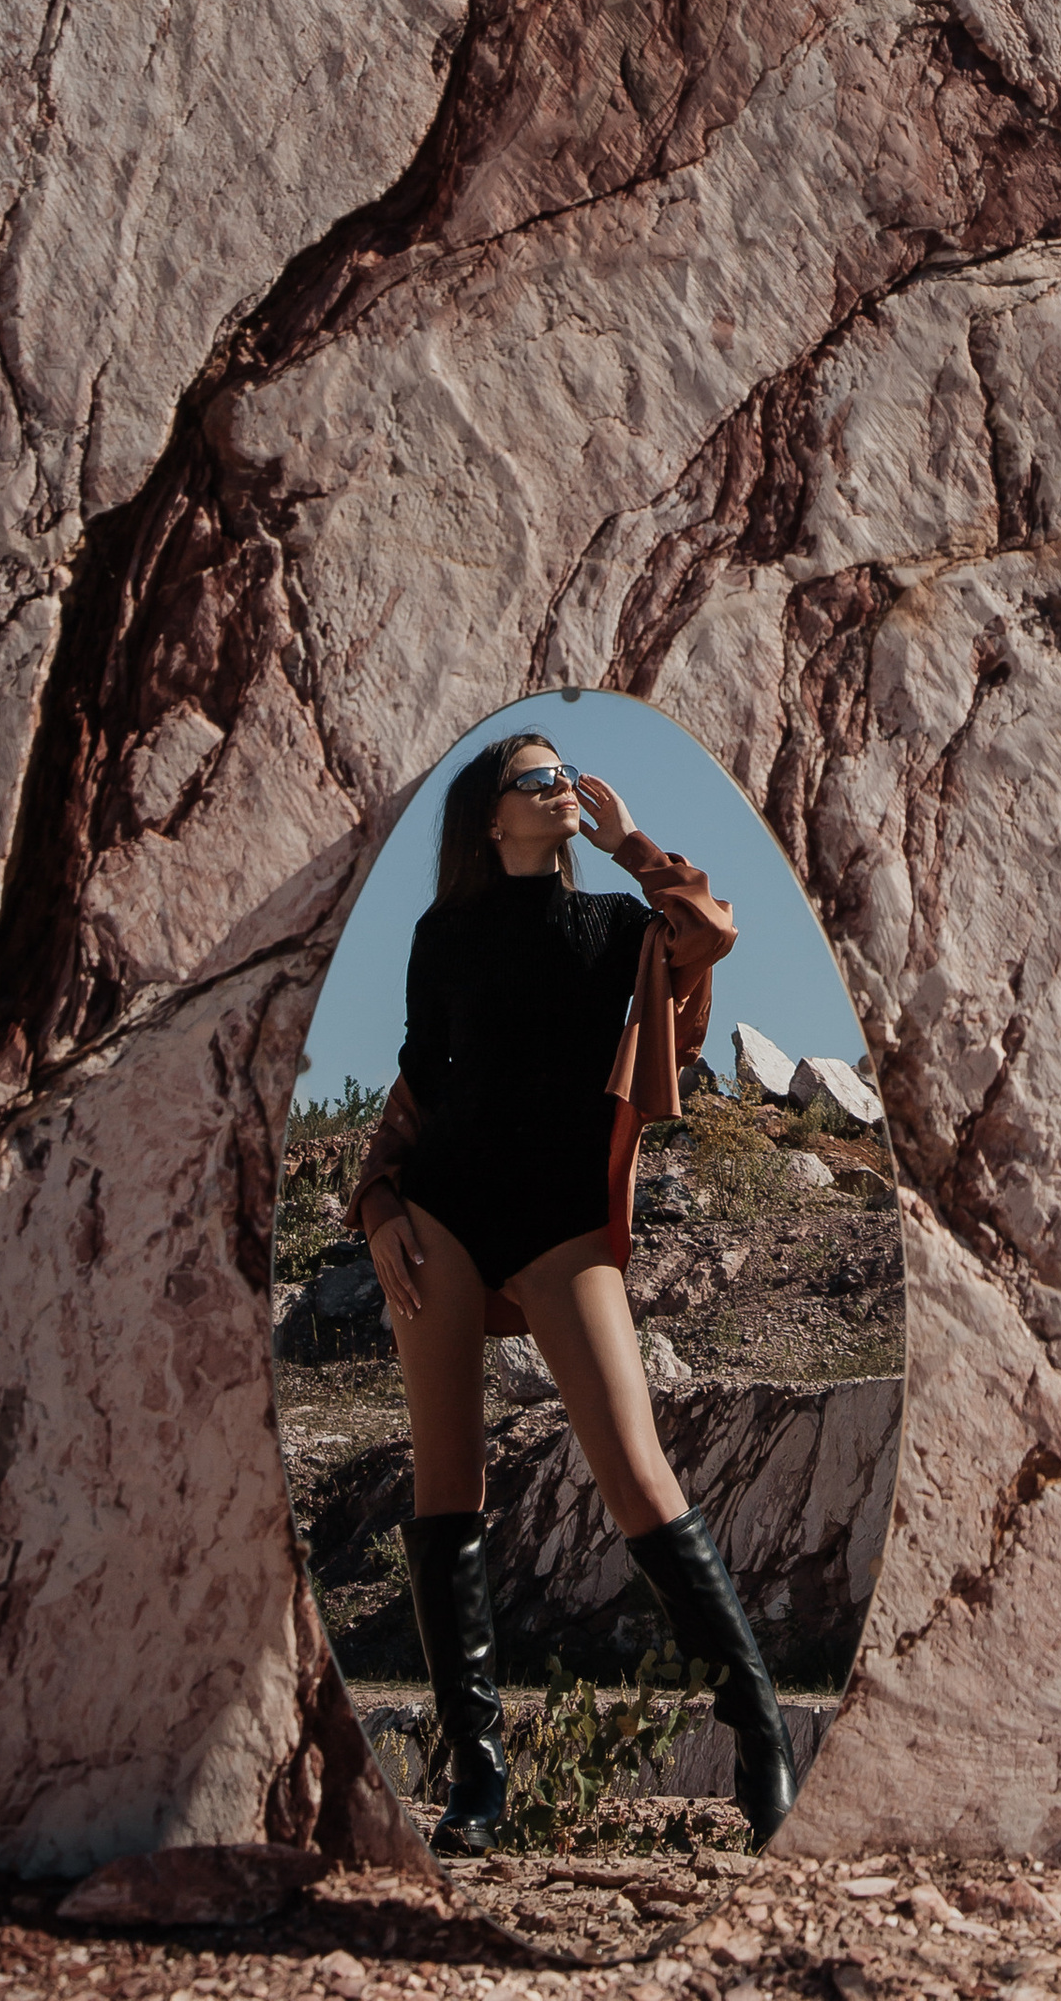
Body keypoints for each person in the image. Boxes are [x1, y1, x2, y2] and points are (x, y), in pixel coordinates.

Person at [347, 730, 798, 1853]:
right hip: (445, 1210)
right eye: (537, 780)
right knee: (447, 1478)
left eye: (565, 777)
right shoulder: (439, 935)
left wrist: (631, 839)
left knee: (637, 1472)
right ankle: (477, 1781)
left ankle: (758, 1737)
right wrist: (379, 1204)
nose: (560, 790)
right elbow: (420, 1076)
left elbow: (711, 932)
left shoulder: (615, 928)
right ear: (490, 816)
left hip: (561, 1220)